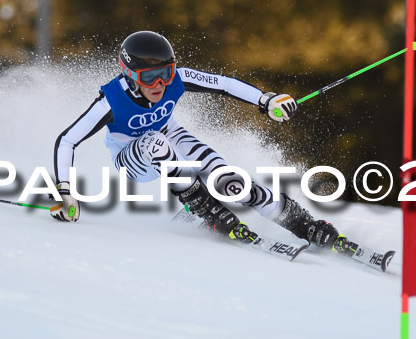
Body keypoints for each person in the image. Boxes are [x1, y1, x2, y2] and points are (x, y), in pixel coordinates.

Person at [50, 30, 353, 253]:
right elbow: (67, 140)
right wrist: (64, 192)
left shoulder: (177, 79)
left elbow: (223, 84)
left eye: (166, 73)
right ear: (129, 75)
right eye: (149, 77)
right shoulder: (110, 102)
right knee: (155, 142)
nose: (160, 84)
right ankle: (203, 208)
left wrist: (265, 100)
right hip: (132, 157)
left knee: (227, 179)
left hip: (170, 136)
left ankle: (301, 223)